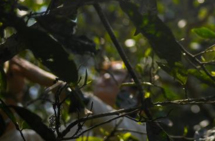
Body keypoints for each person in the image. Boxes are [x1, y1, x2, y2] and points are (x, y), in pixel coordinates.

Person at [1, 58, 146, 141]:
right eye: (103, 74)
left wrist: (50, 81)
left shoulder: (141, 130)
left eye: (116, 73)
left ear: (132, 90)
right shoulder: (73, 131)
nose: (106, 78)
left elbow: (96, 111)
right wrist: (13, 95)